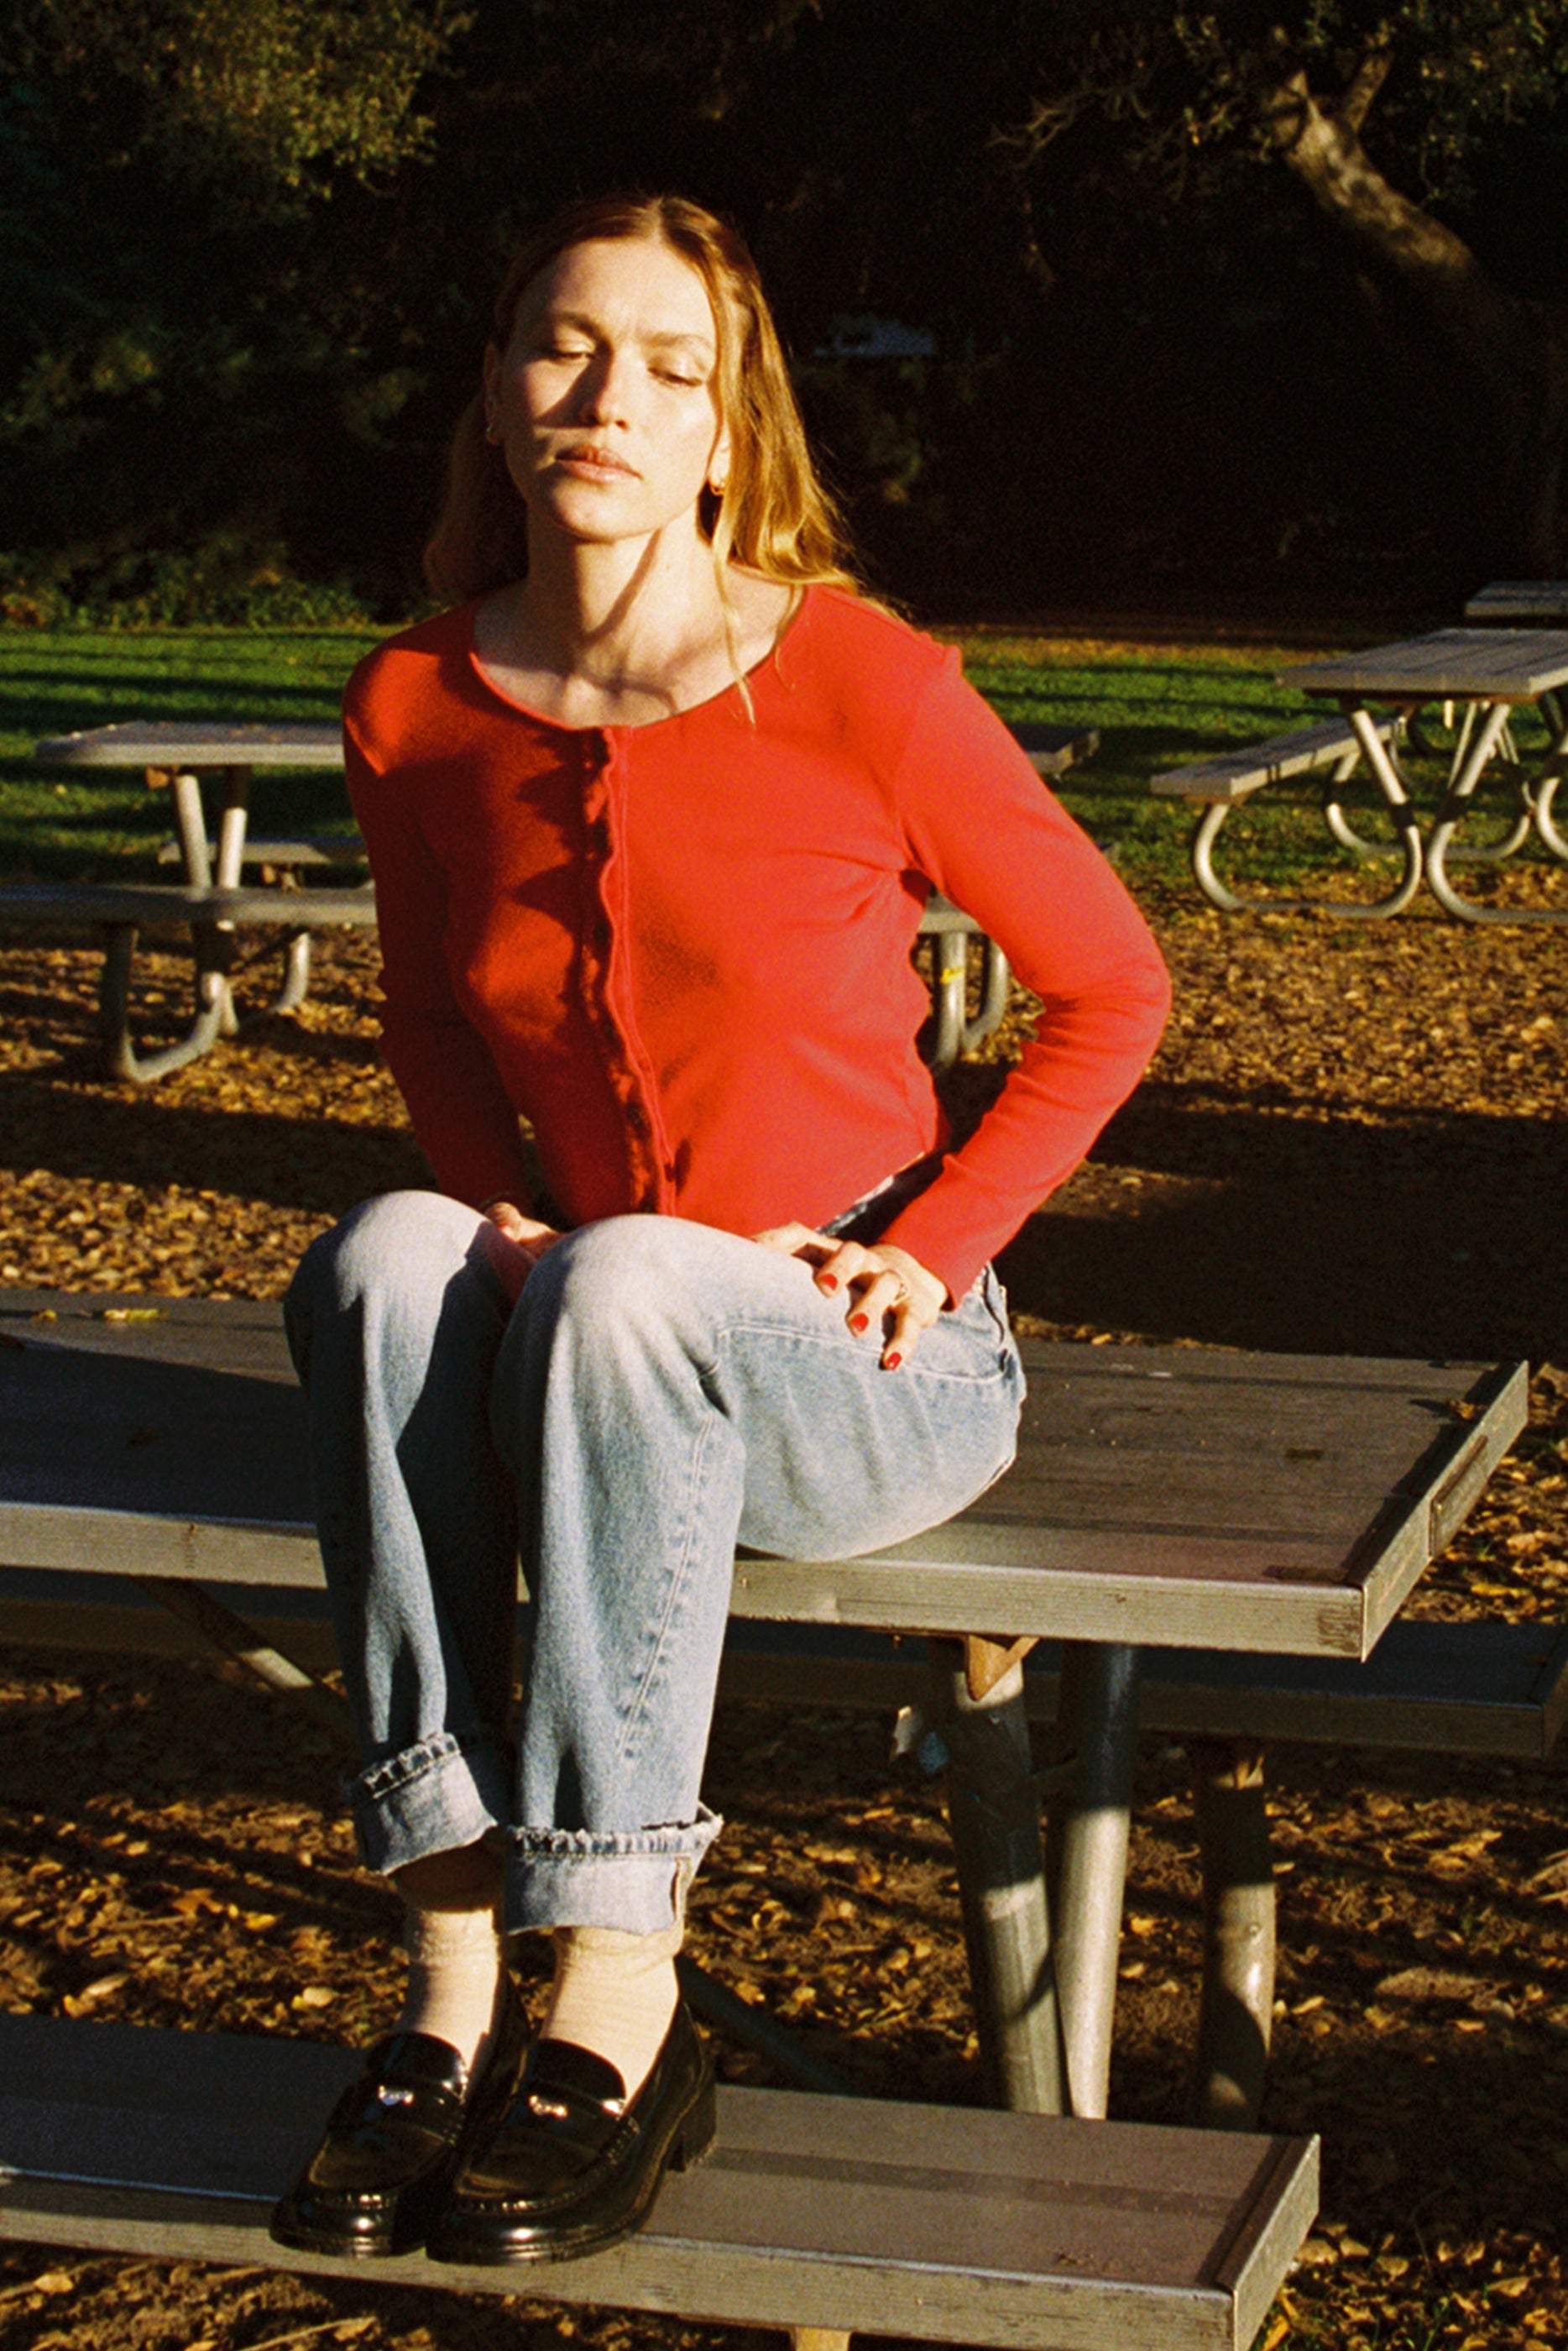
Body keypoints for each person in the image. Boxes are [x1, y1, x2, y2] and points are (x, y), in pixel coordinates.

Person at [270, 190, 1170, 2270]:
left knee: (625, 1274)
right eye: (565, 348)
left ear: (723, 431)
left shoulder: (860, 682)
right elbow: (427, 1008)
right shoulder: (412, 700)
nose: (608, 397)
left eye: (667, 368)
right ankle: (451, 1963)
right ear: (498, 396)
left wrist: (939, 1241)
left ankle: (620, 1980)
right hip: (583, 1339)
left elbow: (1111, 987)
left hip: (860, 1356)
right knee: (385, 1252)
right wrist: (480, 1184)